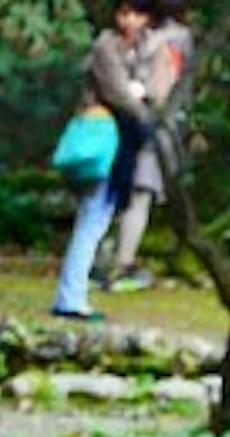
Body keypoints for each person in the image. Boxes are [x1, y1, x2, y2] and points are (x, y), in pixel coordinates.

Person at [56, 0, 158, 320]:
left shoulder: (142, 48)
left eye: (137, 14)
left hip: (122, 145)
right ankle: (70, 298)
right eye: (125, 12)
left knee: (97, 219)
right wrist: (145, 115)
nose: (130, 20)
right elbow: (118, 92)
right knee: (92, 218)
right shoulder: (106, 46)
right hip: (103, 137)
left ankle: (73, 295)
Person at [105, 0, 197, 290]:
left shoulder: (158, 36)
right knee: (135, 195)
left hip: (135, 122)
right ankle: (120, 263)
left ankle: (113, 260)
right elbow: (167, 86)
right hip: (142, 123)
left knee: (129, 193)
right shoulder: (172, 38)